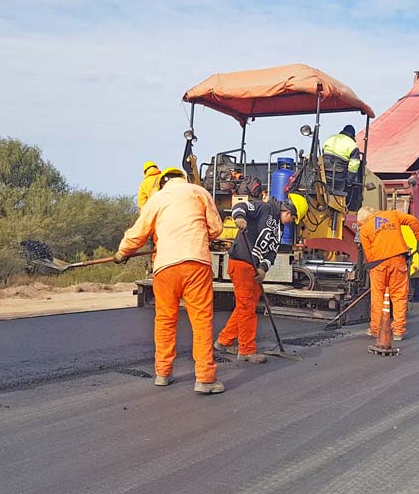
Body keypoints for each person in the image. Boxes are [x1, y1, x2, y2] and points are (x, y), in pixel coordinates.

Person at [115, 167, 226, 394]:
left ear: (162, 183)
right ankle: (205, 379)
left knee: (165, 319)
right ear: (181, 179)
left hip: (165, 266)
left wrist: (122, 252)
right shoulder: (200, 192)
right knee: (201, 320)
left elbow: (139, 232)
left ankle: (163, 373)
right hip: (196, 263)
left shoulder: (157, 199)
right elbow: (216, 230)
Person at [215, 193, 308, 363]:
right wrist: (240, 218)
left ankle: (224, 340)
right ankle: (246, 350)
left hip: (253, 267)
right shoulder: (263, 208)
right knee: (247, 309)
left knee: (247, 305)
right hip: (241, 262)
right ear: (289, 212)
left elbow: (271, 252)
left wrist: (263, 268)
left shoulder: (279, 228)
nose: (290, 222)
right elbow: (240, 207)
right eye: (292, 218)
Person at [357, 205, 419, 342]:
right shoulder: (392, 215)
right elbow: (412, 220)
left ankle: (376, 330)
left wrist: (372, 268)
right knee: (399, 297)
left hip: (378, 266)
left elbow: (369, 255)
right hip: (398, 262)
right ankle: (398, 332)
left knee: (378, 298)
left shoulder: (365, 229)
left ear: (362, 219)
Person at [322, 124, 361, 194]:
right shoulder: (352, 145)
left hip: (324, 172)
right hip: (339, 174)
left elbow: (323, 153)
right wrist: (349, 180)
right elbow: (354, 165)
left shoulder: (330, 138)